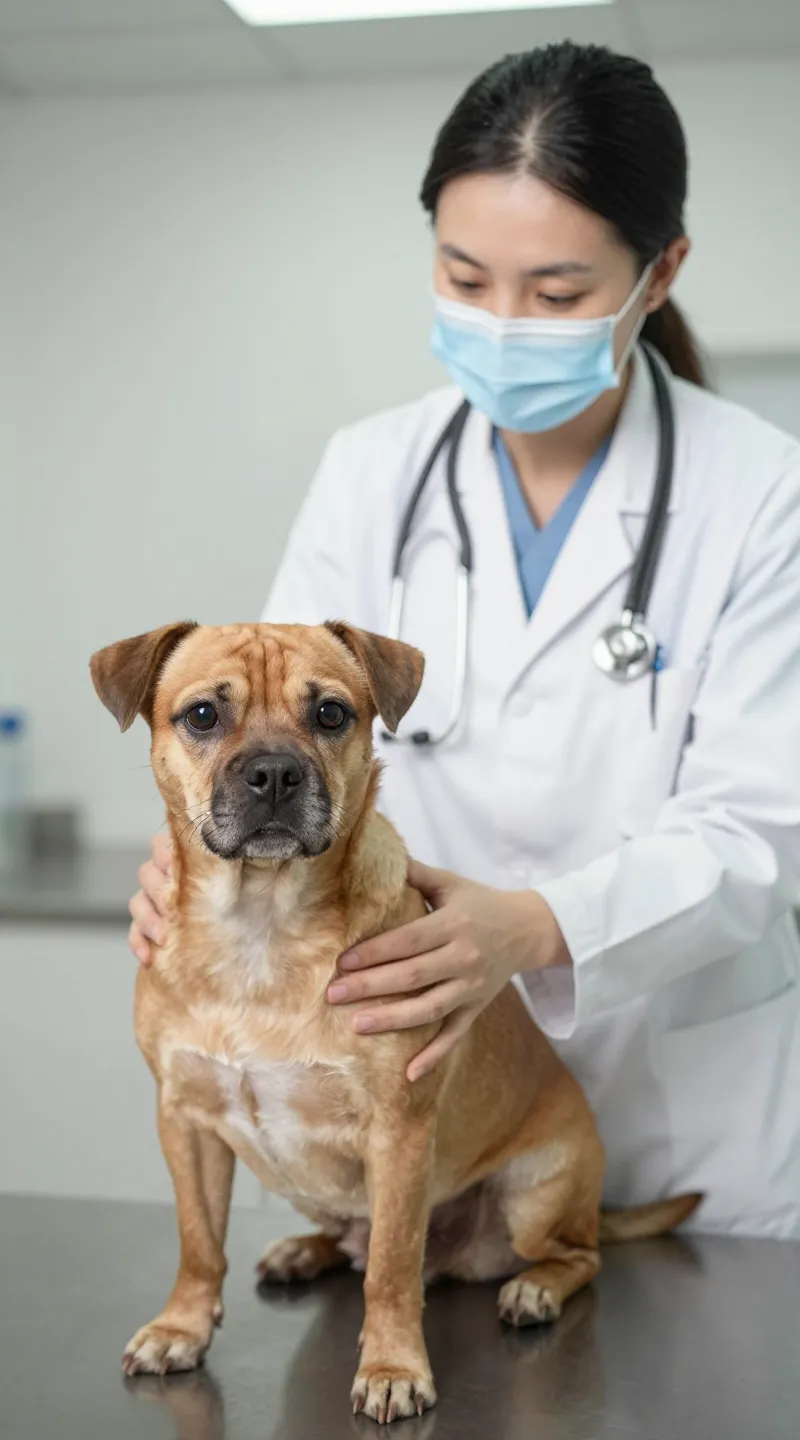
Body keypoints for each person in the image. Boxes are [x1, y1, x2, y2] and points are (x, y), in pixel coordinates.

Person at [128, 43, 800, 1238]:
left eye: (555, 294)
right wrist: (190, 855)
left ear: (659, 272)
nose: (501, 324)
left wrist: (537, 926)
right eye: (463, 275)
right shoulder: (370, 472)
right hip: (403, 1086)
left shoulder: (761, 493)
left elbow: (761, 833)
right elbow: (266, 721)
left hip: (679, 1096)